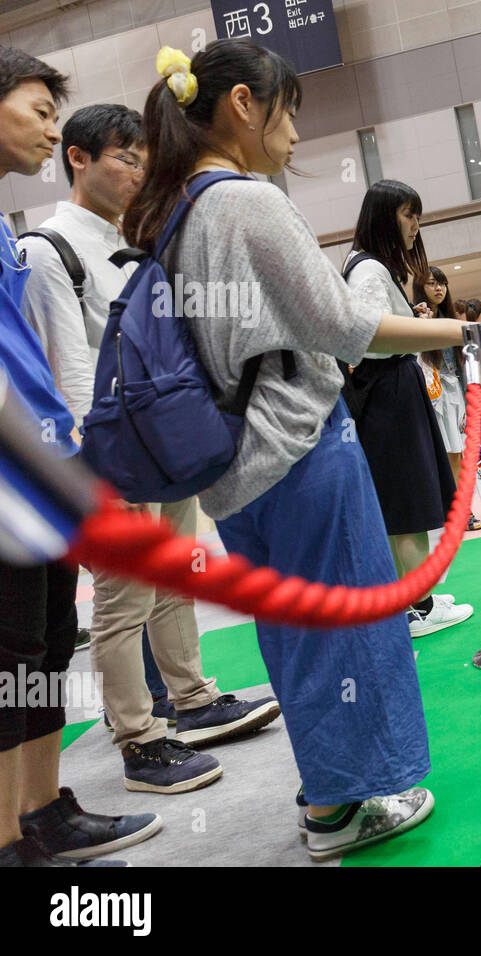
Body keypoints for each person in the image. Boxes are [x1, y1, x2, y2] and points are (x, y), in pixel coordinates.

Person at [122, 39, 481, 860]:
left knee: (296, 640)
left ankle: (327, 798)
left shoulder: (172, 217)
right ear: (243, 104)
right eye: (289, 114)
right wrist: (464, 328)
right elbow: (344, 326)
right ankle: (346, 806)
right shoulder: (245, 202)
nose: (296, 137)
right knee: (349, 632)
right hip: (300, 452)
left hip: (232, 476)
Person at [19, 102, 279, 796]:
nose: (137, 170)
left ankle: (191, 699)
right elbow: (66, 368)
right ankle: (138, 736)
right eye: (122, 157)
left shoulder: (131, 237)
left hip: (163, 442)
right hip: (110, 454)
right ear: (78, 158)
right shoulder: (50, 248)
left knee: (175, 581)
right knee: (120, 602)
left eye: (142, 158)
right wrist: (96, 465)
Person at [0, 45, 158, 867]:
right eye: (36, 110)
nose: (47, 127)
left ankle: (41, 812)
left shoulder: (1, 225)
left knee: (45, 647)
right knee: (8, 654)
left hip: (42, 464)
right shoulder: (42, 246)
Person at [342, 181, 473, 639]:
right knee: (406, 504)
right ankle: (418, 605)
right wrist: (446, 332)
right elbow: (373, 337)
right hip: (387, 393)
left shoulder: (372, 268)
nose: (416, 225)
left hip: (393, 389)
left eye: (417, 214)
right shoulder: (368, 271)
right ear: (383, 217)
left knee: (408, 499)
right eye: (407, 214)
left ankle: (418, 599)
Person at [416, 267, 481, 532]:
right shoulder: (415, 316)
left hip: (452, 392)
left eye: (441, 283)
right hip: (429, 393)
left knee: (456, 455)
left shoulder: (452, 318)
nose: (438, 288)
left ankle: (461, 512)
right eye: (432, 283)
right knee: (437, 456)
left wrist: (469, 399)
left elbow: (462, 363)